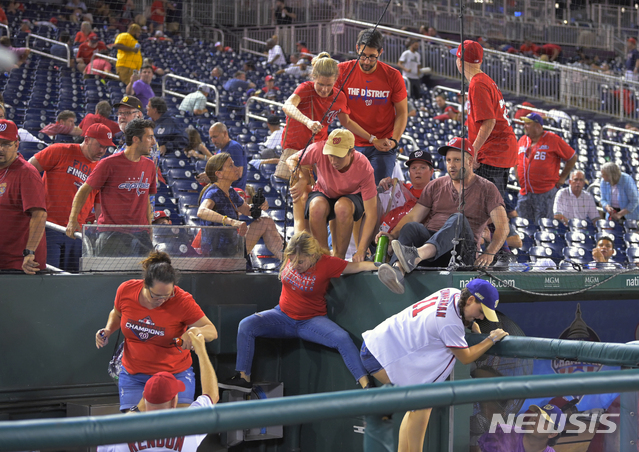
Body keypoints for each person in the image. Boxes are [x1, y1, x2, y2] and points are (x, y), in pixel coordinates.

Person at [361, 279, 508, 452]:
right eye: (481, 311)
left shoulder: (452, 292)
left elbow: (454, 318)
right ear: (470, 300)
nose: (482, 317)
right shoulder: (450, 322)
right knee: (422, 402)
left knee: (416, 405)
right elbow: (466, 357)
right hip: (383, 355)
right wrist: (490, 339)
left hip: (380, 345)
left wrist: (470, 323)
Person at [218, 231, 376, 393]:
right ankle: (244, 379)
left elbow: (356, 266)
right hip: (282, 316)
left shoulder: (327, 263)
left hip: (311, 321)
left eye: (300, 262)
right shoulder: (292, 255)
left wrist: (380, 265)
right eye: (292, 260)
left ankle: (367, 387)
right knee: (246, 325)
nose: (294, 265)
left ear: (313, 256)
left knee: (342, 338)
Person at [376, 138, 508, 294]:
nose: (451, 165)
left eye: (457, 160)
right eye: (448, 160)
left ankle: (416, 255)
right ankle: (397, 271)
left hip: (463, 250)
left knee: (457, 218)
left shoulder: (487, 188)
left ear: (470, 161)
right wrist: (391, 235)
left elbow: (503, 226)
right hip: (432, 249)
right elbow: (413, 217)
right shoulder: (435, 185)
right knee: (411, 227)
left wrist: (490, 252)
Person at [95, 251, 217, 411]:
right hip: (134, 376)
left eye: (168, 295)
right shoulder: (126, 290)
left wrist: (193, 331)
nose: (163, 300)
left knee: (175, 428)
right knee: (136, 430)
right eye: (157, 296)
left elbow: (211, 331)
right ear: (145, 284)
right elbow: (117, 313)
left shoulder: (182, 301)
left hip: (175, 375)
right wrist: (109, 329)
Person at [281, 52, 385, 231]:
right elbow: (287, 105)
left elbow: (347, 122)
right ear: (313, 77)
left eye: (329, 85)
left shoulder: (339, 96)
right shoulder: (305, 88)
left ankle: (319, 245)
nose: (323, 89)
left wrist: (372, 138)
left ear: (336, 81)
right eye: (320, 84)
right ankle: (300, 240)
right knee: (301, 194)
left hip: (321, 150)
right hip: (295, 146)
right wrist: (307, 121)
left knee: (324, 197)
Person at [97, 330, 218, 451]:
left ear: (144, 397)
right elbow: (211, 395)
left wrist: (134, 411)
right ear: (174, 401)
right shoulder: (189, 425)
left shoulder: (115, 429)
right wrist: (201, 351)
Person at [28, 124, 114, 272]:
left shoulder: (101, 169)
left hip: (77, 233)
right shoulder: (59, 150)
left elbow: (99, 205)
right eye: (99, 145)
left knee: (72, 279)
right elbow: (28, 171)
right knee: (46, 276)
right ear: (87, 139)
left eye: (106, 147)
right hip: (49, 227)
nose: (102, 150)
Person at [66, 119, 157, 256]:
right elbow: (83, 191)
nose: (154, 142)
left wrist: (149, 229)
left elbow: (146, 201)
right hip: (112, 235)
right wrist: (72, 221)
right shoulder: (109, 163)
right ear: (136, 139)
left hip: (141, 235)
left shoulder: (150, 165)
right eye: (149, 137)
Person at [287, 129, 377, 261]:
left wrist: (361, 250)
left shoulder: (364, 166)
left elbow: (371, 214)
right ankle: (322, 257)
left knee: (342, 207)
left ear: (351, 153)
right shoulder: (318, 148)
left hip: (351, 197)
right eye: (330, 155)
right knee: (316, 207)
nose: (333, 161)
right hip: (324, 192)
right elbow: (291, 159)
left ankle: (338, 259)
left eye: (338, 156)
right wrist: (301, 178)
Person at [336, 28, 408, 184]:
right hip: (352, 144)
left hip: (382, 146)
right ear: (357, 49)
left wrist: (394, 141)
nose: (366, 61)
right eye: (362, 56)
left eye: (372, 57)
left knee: (377, 194)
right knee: (350, 194)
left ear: (380, 52)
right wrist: (371, 138)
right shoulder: (342, 71)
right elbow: (343, 117)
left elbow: (402, 113)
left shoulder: (393, 75)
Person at [451, 40, 517, 203]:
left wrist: (473, 153)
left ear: (460, 61)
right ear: (479, 61)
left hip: (493, 153)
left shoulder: (478, 84)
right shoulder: (484, 80)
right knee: (492, 210)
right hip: (500, 151)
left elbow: (489, 122)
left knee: (485, 213)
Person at [196, 152, 283, 260]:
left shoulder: (231, 192)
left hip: (232, 246)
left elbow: (248, 211)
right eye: (231, 165)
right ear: (219, 174)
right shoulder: (213, 192)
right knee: (266, 222)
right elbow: (201, 212)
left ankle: (286, 262)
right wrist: (233, 222)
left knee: (266, 221)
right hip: (216, 251)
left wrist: (259, 205)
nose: (236, 168)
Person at [0, 119, 47, 274]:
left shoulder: (26, 173)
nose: (1, 148)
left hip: (20, 264)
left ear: (17, 145)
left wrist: (30, 252)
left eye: (6, 144)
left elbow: (39, 215)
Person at [515, 113, 577, 225]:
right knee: (523, 225)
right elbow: (515, 160)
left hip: (545, 193)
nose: (524, 126)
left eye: (528, 123)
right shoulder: (522, 140)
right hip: (525, 192)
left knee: (543, 225)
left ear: (538, 126)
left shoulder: (553, 139)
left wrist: (563, 177)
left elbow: (572, 157)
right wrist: (517, 176)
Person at [377, 150, 435, 232]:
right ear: (409, 172)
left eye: (422, 167)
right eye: (414, 168)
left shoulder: (436, 193)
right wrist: (384, 183)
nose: (417, 171)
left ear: (431, 172)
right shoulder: (401, 190)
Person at [478, 403, 564, 452]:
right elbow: (478, 448)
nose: (534, 418)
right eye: (537, 413)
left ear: (552, 434)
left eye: (543, 419)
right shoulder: (502, 433)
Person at [208, 122, 248, 190]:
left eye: (215, 137)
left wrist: (212, 176)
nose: (213, 141)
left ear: (225, 133)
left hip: (234, 193)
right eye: (211, 138)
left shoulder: (233, 147)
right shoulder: (220, 151)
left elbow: (238, 173)